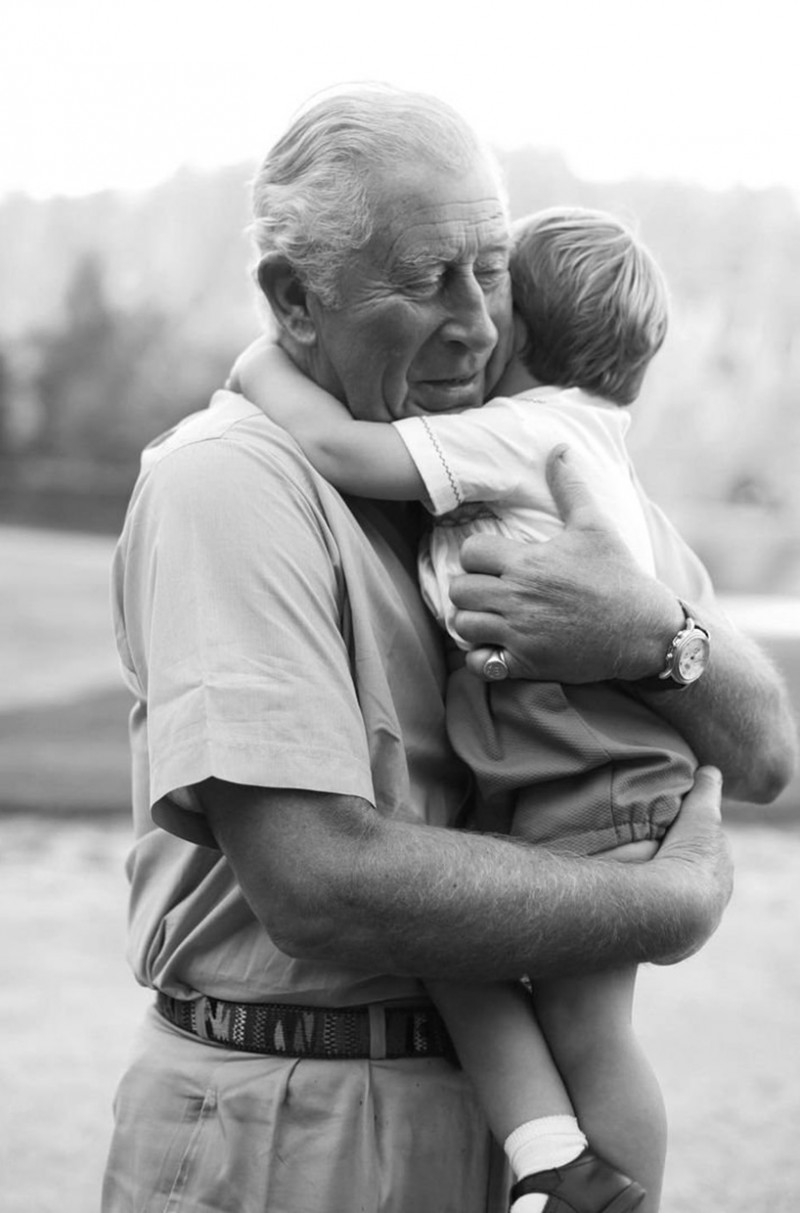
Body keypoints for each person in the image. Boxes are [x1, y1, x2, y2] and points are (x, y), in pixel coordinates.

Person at [103, 85, 795, 1213]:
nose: (476, 321)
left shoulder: (521, 465)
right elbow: (323, 885)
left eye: (490, 271)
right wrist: (663, 903)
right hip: (292, 1117)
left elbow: (764, 753)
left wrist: (651, 634)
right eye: (428, 279)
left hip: (495, 1106)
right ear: (295, 299)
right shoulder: (228, 483)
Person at [231, 204, 701, 1211]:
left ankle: (622, 1193)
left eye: (486, 290)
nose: (465, 319)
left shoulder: (525, 433)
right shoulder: (585, 436)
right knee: (447, 950)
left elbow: (346, 453)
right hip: (551, 765)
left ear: (514, 330)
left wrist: (262, 366)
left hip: (592, 770)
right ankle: (552, 1162)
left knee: (586, 1019)